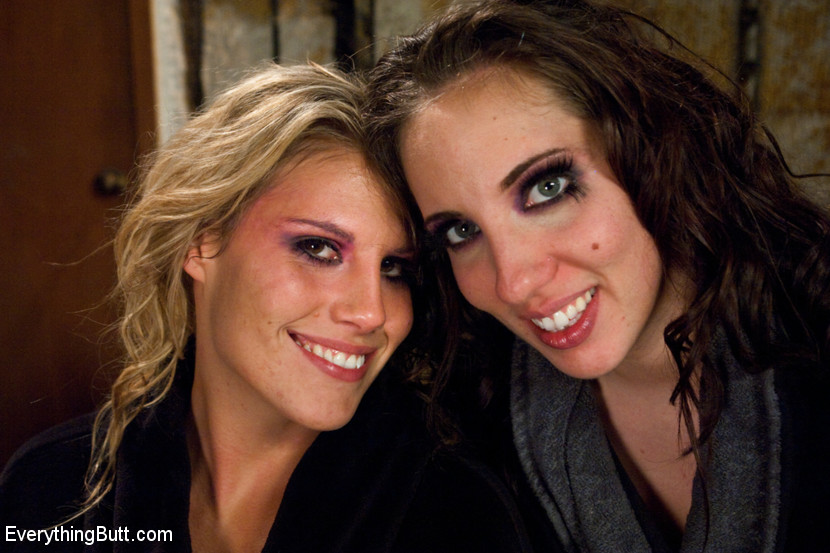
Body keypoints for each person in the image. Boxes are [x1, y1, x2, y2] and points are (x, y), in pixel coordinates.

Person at [0, 63, 536, 553]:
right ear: (201, 241)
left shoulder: (455, 517)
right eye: (319, 248)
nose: (372, 313)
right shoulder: (50, 488)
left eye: (395, 268)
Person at [364, 1, 830, 551]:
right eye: (461, 232)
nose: (514, 283)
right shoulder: (467, 429)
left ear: (650, 150)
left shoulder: (813, 340)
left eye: (548, 189)